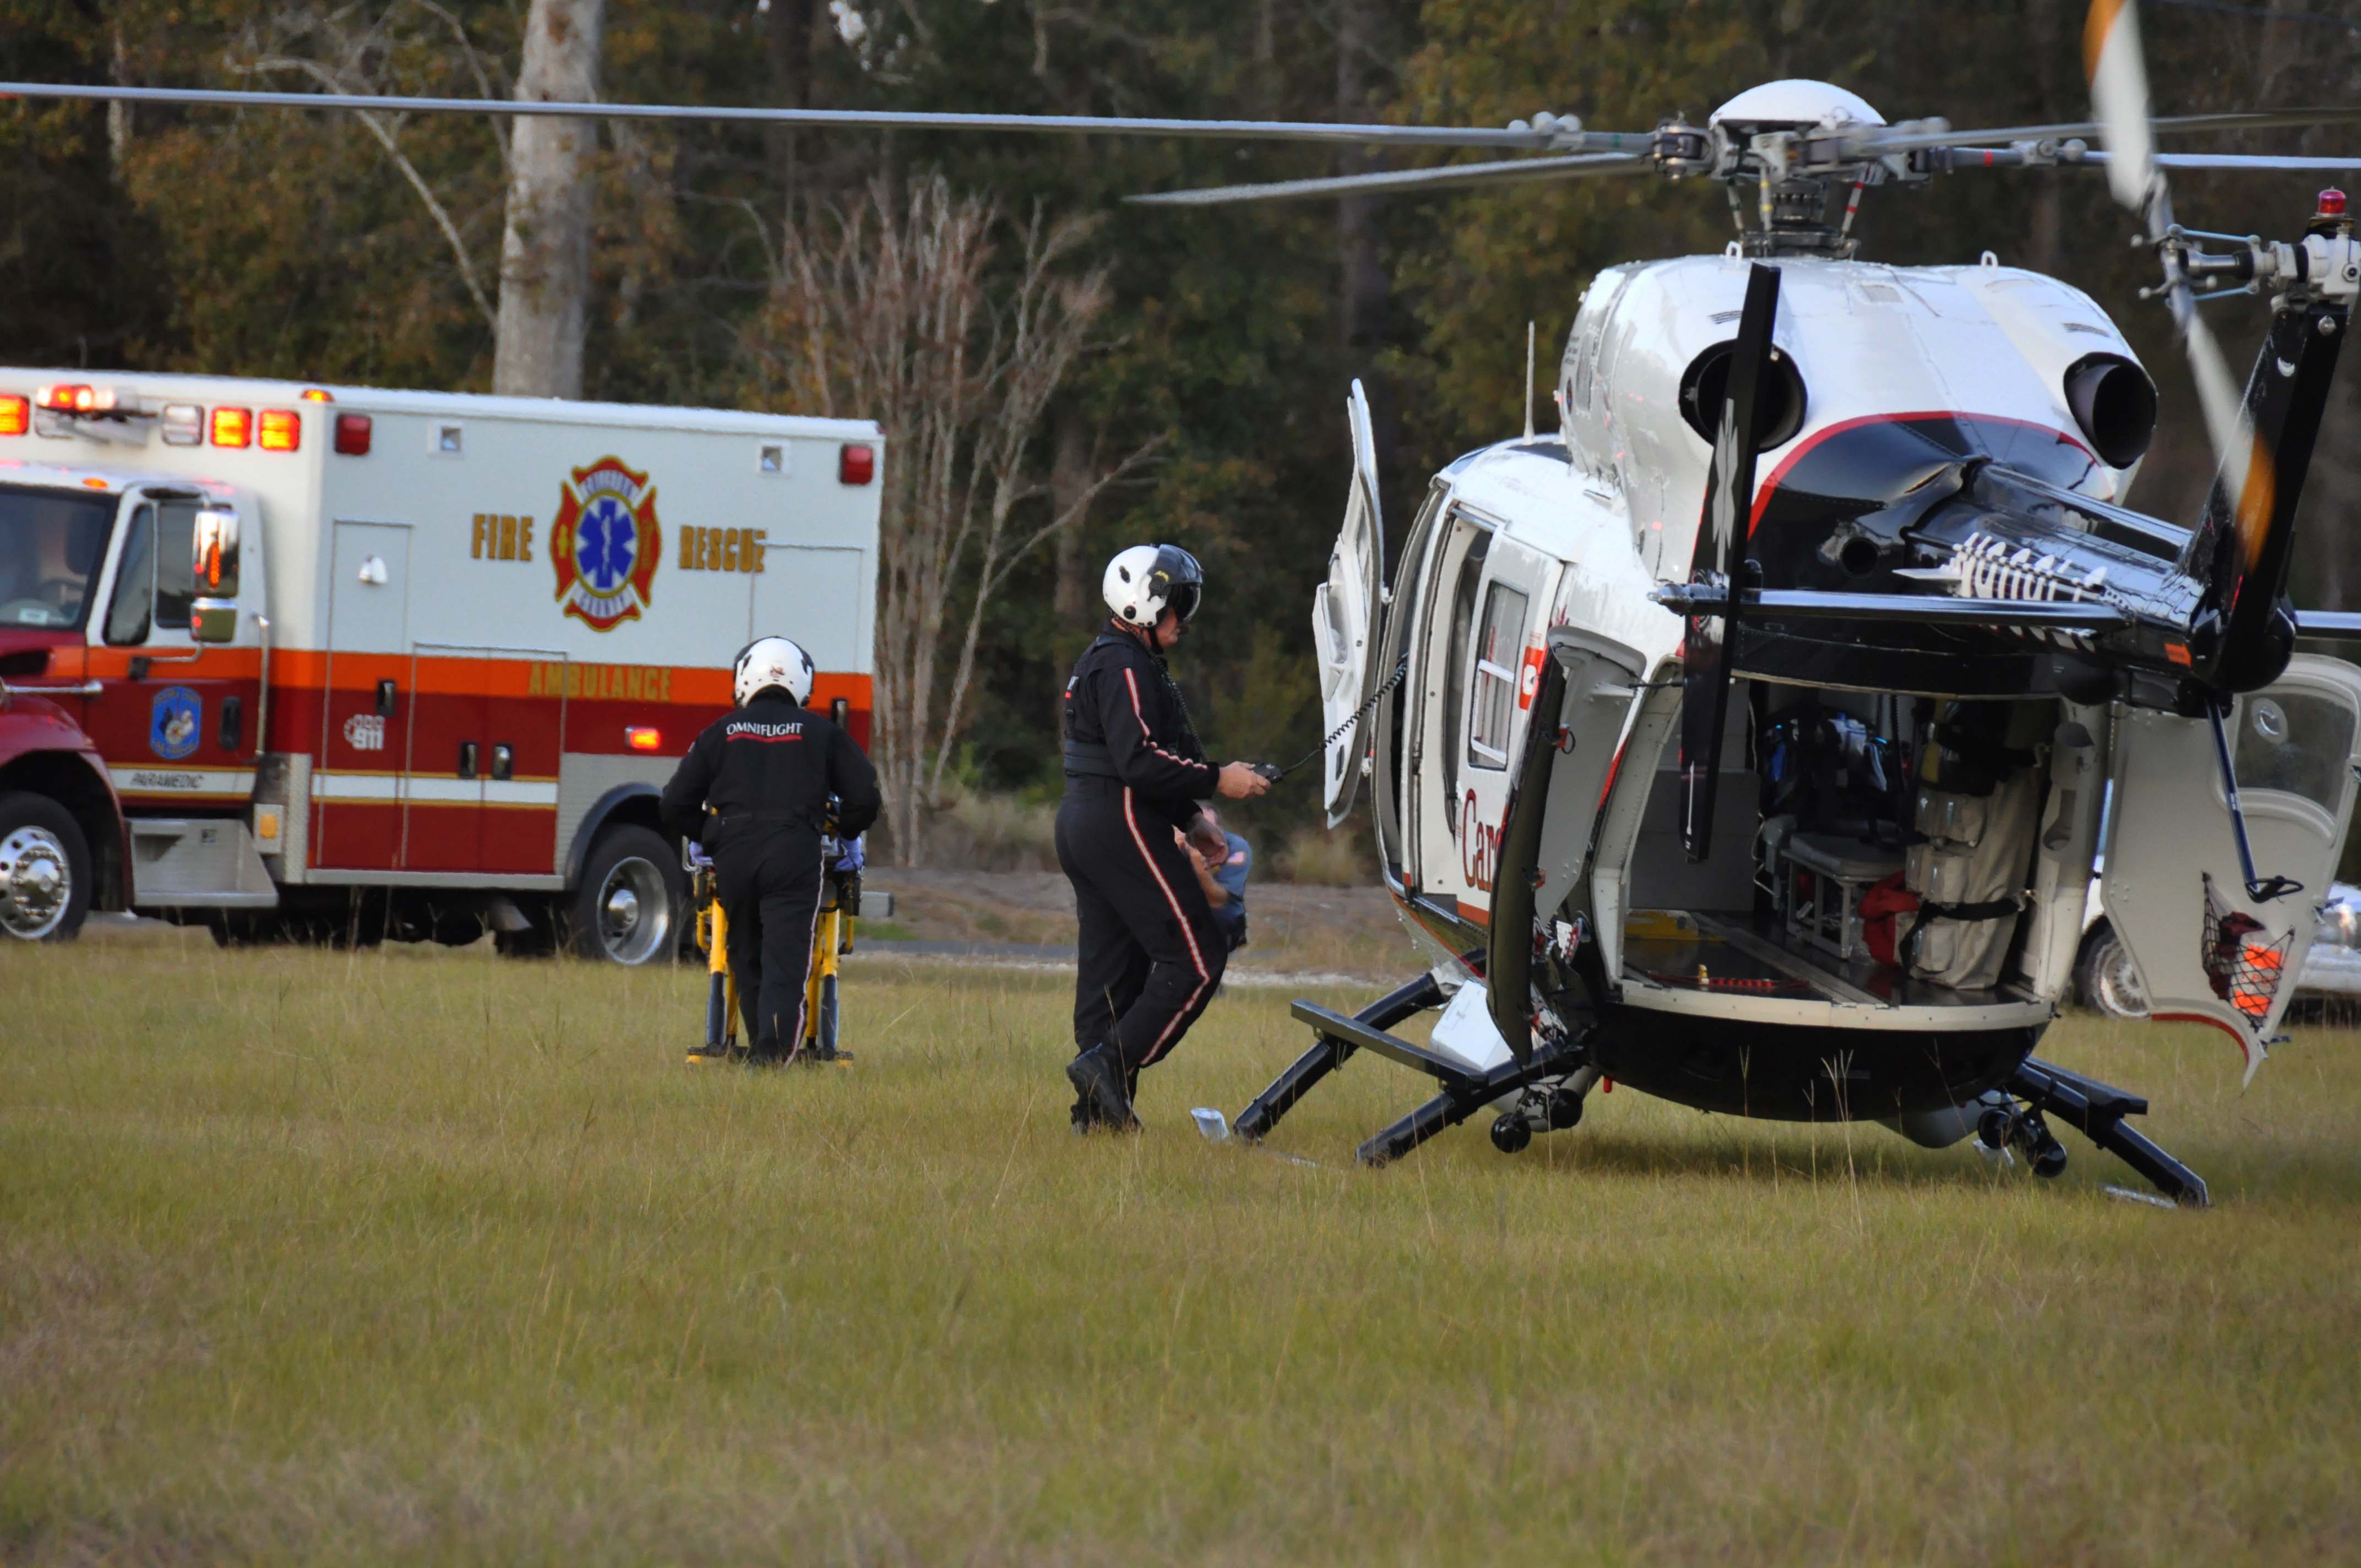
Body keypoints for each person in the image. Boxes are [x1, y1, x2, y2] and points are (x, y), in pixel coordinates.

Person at [1057, 543, 1270, 1130]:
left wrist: (1192, 819)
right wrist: (1216, 780)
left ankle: (1096, 1117)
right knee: (1198, 957)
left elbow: (1134, 760)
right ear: (1143, 605)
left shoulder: (1111, 659)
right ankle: (1106, 1066)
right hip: (1118, 820)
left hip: (1088, 822)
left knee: (1112, 974)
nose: (1184, 618)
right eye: (1177, 604)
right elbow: (1140, 760)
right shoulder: (1123, 665)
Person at [661, 636, 881, 1064]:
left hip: (734, 854)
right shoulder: (823, 734)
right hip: (793, 852)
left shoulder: (718, 733)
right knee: (785, 959)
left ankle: (762, 1047)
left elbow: (672, 805)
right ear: (802, 683)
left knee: (745, 952)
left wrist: (712, 832)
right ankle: (771, 1055)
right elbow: (866, 800)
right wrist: (839, 825)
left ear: (745, 678)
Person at [1179, 807, 1252, 953]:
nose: (1199, 834)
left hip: (1222, 916)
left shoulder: (1235, 847)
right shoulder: (1176, 842)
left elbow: (1219, 900)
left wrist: (1197, 862)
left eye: (1206, 827)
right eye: (1192, 828)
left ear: (1219, 830)